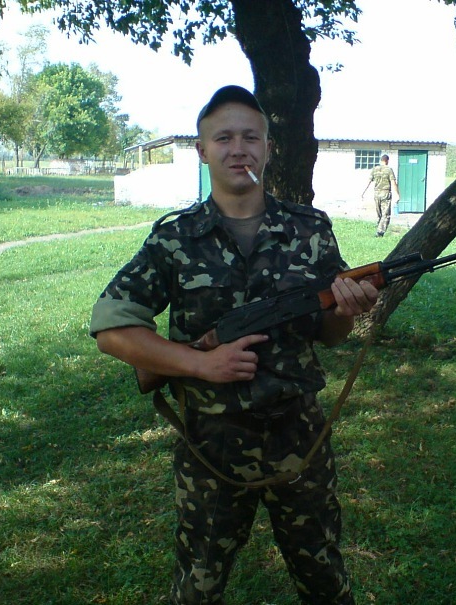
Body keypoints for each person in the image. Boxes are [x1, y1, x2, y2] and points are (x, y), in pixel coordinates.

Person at [89, 85, 378, 604]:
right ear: (203, 150)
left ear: (268, 148)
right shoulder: (175, 238)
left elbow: (330, 334)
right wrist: (200, 364)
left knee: (323, 575)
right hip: (211, 442)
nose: (238, 148)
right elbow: (112, 326)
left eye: (251, 137)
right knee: (198, 582)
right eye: (223, 138)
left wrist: (345, 311)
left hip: (299, 436)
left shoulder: (309, 230)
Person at [362, 154, 399, 237]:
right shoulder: (389, 170)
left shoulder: (375, 169)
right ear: (387, 161)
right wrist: (397, 195)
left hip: (376, 194)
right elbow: (393, 183)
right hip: (385, 193)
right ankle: (380, 232)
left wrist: (363, 192)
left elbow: (368, 181)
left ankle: (379, 227)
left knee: (379, 214)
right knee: (386, 215)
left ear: (381, 160)